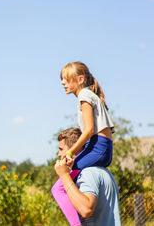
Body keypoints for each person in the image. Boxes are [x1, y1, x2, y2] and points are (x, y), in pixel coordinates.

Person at [52, 62, 115, 225]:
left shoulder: (84, 96)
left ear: (80, 79)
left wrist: (69, 152)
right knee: (69, 174)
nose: (62, 82)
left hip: (98, 146)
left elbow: (88, 131)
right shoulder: (89, 95)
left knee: (60, 185)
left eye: (66, 79)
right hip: (101, 147)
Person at [52, 128, 121, 226]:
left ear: (74, 149)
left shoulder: (88, 173)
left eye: (61, 149)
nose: (59, 154)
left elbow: (86, 209)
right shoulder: (104, 172)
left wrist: (64, 175)